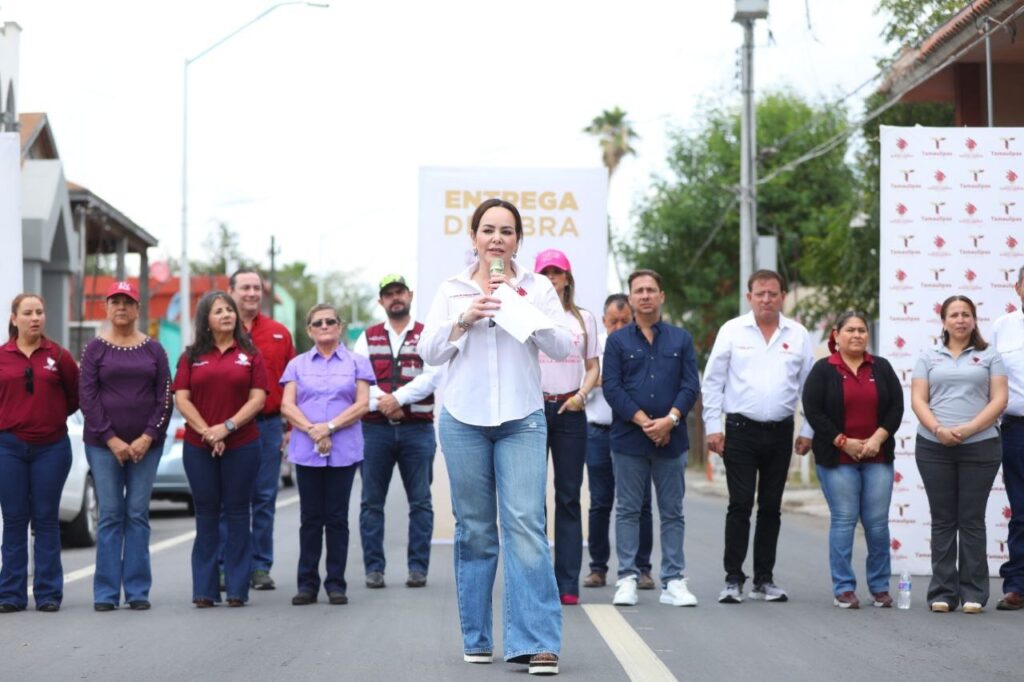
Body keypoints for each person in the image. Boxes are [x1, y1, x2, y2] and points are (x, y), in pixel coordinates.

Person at [419, 197, 571, 675]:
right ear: (474, 237)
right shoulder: (452, 288)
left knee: (526, 524)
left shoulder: (538, 287)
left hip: (521, 418)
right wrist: (465, 318)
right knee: (477, 530)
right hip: (463, 420)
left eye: (507, 231)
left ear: (518, 240)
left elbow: (565, 345)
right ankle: (478, 637)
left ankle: (537, 642)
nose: (497, 238)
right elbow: (429, 352)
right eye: (488, 230)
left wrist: (516, 306)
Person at [702, 269, 814, 604]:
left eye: (773, 293)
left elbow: (811, 387)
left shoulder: (798, 334)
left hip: (780, 432)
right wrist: (712, 426)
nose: (767, 299)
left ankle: (764, 579)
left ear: (782, 297)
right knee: (739, 504)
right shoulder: (732, 331)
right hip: (740, 430)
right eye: (760, 293)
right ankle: (733, 578)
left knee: (771, 507)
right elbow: (712, 381)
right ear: (749, 296)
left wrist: (808, 430)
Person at [602, 270, 700, 608]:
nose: (645, 295)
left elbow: (690, 386)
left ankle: (673, 580)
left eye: (651, 290)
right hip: (630, 438)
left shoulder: (681, 339)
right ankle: (627, 577)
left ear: (661, 296)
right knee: (628, 510)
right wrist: (646, 422)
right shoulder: (617, 342)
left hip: (671, 440)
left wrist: (670, 421)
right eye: (638, 290)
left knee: (672, 511)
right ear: (630, 298)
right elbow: (612, 387)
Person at [79, 281, 173, 611]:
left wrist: (148, 436)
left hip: (147, 447)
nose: (121, 307)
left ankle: (137, 591)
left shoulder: (154, 350)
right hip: (104, 446)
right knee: (110, 515)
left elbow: (164, 399)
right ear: (106, 308)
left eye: (128, 301)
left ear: (137, 309)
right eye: (115, 301)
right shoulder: (95, 349)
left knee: (137, 514)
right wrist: (112, 439)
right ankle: (105, 593)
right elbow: (87, 398)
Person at [912, 295, 1007, 614]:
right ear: (943, 321)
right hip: (933, 446)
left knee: (971, 519)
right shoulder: (928, 356)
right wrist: (939, 430)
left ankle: (974, 593)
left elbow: (999, 400)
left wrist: (966, 431)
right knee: (942, 520)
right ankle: (942, 592)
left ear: (974, 320)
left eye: (966, 314)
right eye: (954, 314)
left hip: (980, 446)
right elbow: (918, 400)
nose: (961, 319)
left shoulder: (989, 356)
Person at [801, 311, 904, 609]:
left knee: (877, 524)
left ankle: (880, 588)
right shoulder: (824, 369)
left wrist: (876, 440)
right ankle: (844, 588)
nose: (857, 335)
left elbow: (896, 408)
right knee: (845, 520)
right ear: (836, 334)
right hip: (837, 459)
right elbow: (813, 410)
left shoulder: (881, 367)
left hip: (877, 456)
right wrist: (843, 441)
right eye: (850, 330)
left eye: (861, 330)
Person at [173, 291, 268, 607]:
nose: (227, 314)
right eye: (218, 311)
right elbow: (182, 399)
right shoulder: (190, 356)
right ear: (206, 319)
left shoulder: (251, 354)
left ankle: (238, 589)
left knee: (239, 512)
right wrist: (208, 433)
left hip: (242, 444)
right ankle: (204, 589)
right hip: (198, 447)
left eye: (230, 309)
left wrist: (226, 428)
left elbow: (258, 399)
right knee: (207, 514)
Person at [281, 304, 374, 606]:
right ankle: (307, 584)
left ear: (340, 326)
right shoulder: (296, 364)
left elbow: (362, 404)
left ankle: (336, 583)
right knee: (310, 518)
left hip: (344, 449)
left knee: (336, 518)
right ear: (309, 330)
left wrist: (330, 427)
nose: (324, 326)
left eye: (330, 321)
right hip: (306, 449)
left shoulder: (357, 363)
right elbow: (287, 405)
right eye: (317, 322)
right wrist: (312, 430)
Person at [354, 274, 439, 590]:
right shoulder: (367, 337)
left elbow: (432, 376)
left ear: (410, 294)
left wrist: (398, 398)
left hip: (417, 430)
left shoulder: (427, 334)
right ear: (381, 301)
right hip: (375, 430)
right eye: (388, 294)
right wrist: (383, 402)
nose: (395, 298)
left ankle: (418, 568)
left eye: (399, 291)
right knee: (371, 503)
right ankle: (374, 569)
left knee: (420, 502)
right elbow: (358, 377)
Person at [0, 293, 80, 613]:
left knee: (46, 520)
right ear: (14, 318)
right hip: (8, 448)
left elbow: (74, 398)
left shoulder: (59, 357)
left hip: (51, 447)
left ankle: (48, 594)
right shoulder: (2, 357)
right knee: (15, 519)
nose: (35, 318)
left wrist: (47, 417)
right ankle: (10, 594)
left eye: (40, 312)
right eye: (28, 312)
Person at [533, 249, 600, 605]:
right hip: (533, 408)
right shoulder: (528, 315)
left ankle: (568, 583)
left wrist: (582, 395)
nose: (552, 278)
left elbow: (593, 366)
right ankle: (540, 580)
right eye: (545, 272)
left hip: (570, 410)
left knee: (569, 497)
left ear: (568, 278)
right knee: (533, 500)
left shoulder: (584, 318)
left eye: (557, 272)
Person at [228, 268, 295, 591]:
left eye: (256, 288)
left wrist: (291, 426)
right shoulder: (219, 329)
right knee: (230, 498)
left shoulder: (280, 333)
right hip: (230, 428)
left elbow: (294, 384)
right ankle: (227, 567)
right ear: (232, 291)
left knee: (264, 497)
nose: (252, 293)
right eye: (245, 288)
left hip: (268, 426)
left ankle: (259, 567)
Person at [583, 294, 655, 591]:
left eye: (625, 321)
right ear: (604, 320)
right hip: (599, 431)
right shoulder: (593, 346)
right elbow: (577, 385)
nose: (619, 326)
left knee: (641, 503)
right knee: (600, 502)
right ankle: (598, 567)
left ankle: (642, 568)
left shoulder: (642, 343)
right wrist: (599, 380)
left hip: (634, 431)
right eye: (614, 321)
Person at [992, 268, 1024, 611]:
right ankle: (1017, 584)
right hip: (1018, 430)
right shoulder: (1003, 326)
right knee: (1021, 511)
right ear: (1018, 288)